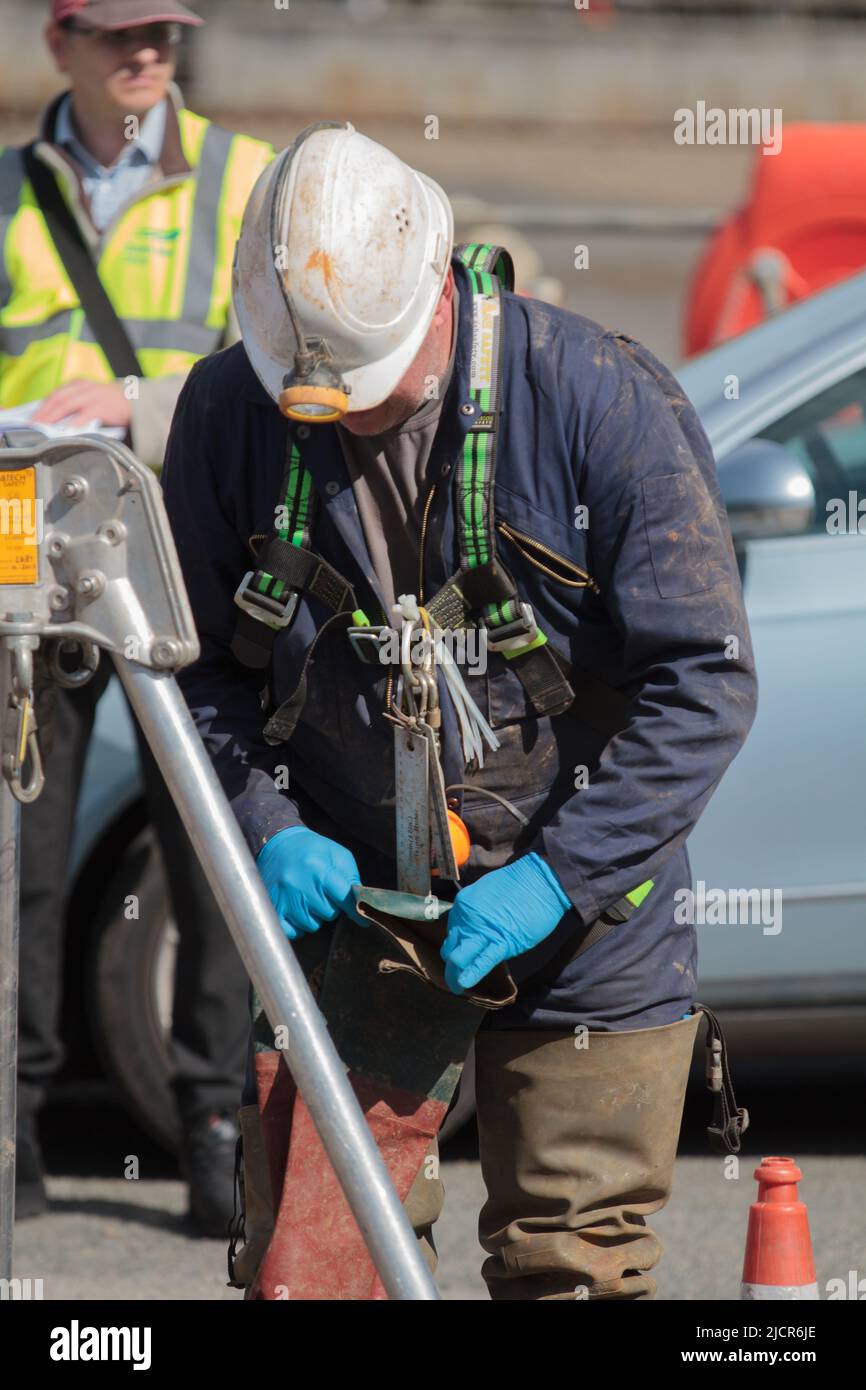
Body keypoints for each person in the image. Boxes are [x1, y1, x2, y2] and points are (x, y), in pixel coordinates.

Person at [162, 123, 758, 1299]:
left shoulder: (595, 400)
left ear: (439, 287)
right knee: (319, 1275)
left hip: (591, 923)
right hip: (352, 923)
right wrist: (264, 824)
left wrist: (561, 875)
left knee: (570, 1270)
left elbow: (705, 678)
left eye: (362, 389)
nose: (334, 415)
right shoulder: (234, 409)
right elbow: (190, 671)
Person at [0, 0, 273, 1233]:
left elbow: (283, 369)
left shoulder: (245, 180)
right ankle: (16, 1129)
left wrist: (129, 396)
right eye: (116, 32)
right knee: (22, 859)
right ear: (59, 41)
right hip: (24, 559)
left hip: (182, 552)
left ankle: (215, 1125)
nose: (143, 53)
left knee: (210, 851)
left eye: (160, 29)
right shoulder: (6, 193)